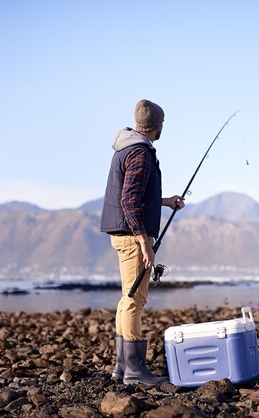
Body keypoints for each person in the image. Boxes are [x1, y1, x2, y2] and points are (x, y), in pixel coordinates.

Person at [100, 99, 185, 385]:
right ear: (157, 126)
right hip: (132, 236)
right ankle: (135, 371)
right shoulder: (139, 153)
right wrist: (144, 242)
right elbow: (129, 200)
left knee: (127, 299)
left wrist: (164, 202)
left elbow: (134, 194)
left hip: (123, 234)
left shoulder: (126, 148)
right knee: (135, 300)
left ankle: (122, 368)